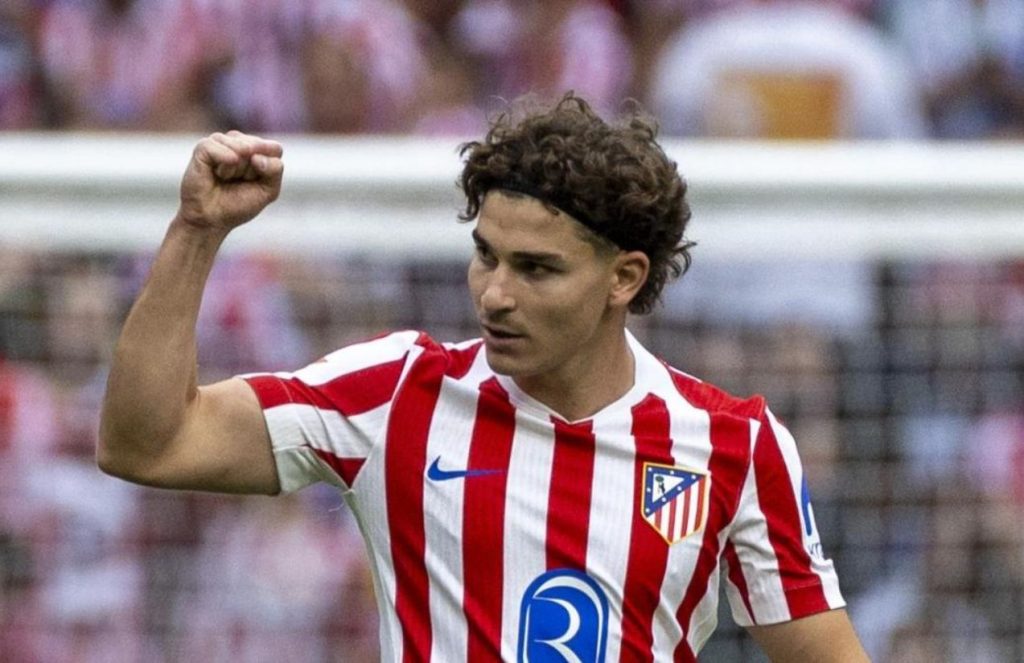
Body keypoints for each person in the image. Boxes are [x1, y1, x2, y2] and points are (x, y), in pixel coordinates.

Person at [97, 93, 869, 661]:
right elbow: (148, 443)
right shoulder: (398, 393)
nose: (495, 292)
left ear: (624, 276)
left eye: (536, 268)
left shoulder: (733, 442)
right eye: (487, 255)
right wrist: (197, 232)